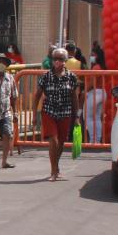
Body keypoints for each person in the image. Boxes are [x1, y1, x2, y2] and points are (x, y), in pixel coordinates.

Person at [33, 48, 79, 182]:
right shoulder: (46, 76)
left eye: (60, 59)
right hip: (49, 111)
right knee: (53, 140)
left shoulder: (71, 77)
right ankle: (53, 171)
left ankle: (56, 166)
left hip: (65, 112)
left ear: (66, 60)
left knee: (61, 142)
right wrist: (34, 115)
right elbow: (37, 95)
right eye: (55, 59)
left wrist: (76, 116)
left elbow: (74, 98)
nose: (57, 62)